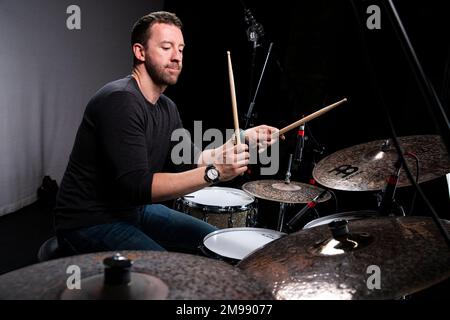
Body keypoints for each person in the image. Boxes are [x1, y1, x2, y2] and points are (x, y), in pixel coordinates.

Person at [54, 11, 280, 256]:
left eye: (181, 49)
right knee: (172, 274)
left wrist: (242, 138)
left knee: (215, 242)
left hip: (133, 210)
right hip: (90, 221)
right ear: (140, 52)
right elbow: (137, 187)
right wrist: (215, 172)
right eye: (166, 47)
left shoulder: (166, 106)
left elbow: (187, 160)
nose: (176, 57)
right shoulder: (120, 100)